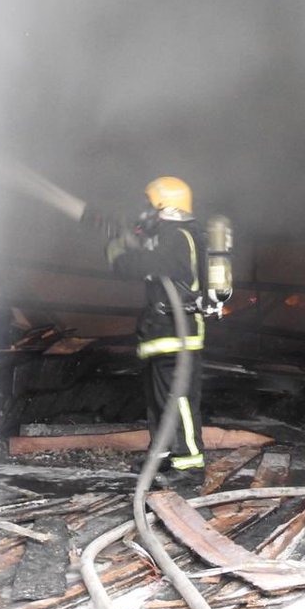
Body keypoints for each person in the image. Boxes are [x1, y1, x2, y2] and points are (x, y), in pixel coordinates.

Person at [85, 176, 209, 487]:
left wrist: (118, 250)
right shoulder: (166, 237)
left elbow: (146, 263)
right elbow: (147, 250)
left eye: (150, 207)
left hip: (177, 334)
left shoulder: (180, 236)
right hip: (161, 332)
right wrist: (117, 229)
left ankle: (190, 465)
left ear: (166, 207)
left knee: (178, 400)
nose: (145, 213)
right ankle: (162, 456)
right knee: (158, 401)